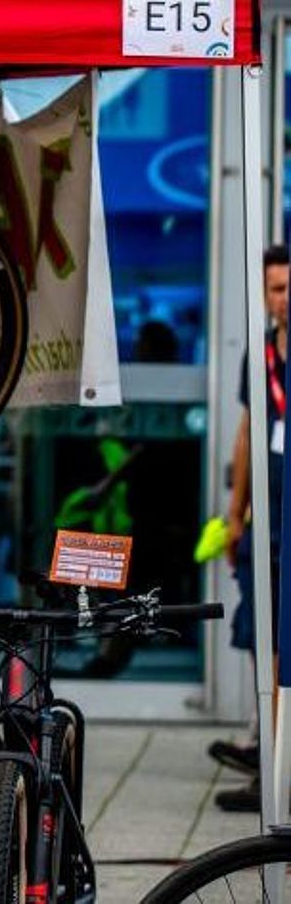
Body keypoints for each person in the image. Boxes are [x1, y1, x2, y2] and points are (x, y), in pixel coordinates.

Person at [212, 244, 290, 812]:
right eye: (277, 288)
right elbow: (246, 434)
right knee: (262, 635)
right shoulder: (260, 354)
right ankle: (271, 759)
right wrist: (234, 516)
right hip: (269, 520)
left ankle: (276, 771)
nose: (285, 298)